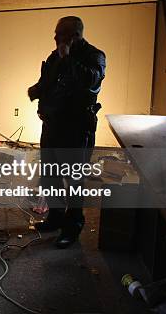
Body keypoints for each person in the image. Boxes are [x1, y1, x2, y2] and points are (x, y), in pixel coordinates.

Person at [27, 16, 106, 248]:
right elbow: (48, 81)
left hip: (76, 128)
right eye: (56, 33)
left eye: (60, 34)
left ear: (75, 36)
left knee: (73, 180)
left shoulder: (95, 56)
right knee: (50, 175)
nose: (55, 38)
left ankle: (73, 227)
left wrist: (67, 57)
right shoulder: (54, 56)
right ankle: (55, 217)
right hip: (52, 126)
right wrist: (36, 91)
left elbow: (90, 81)